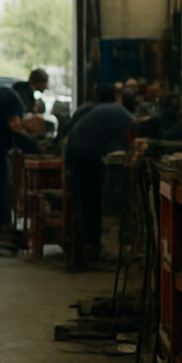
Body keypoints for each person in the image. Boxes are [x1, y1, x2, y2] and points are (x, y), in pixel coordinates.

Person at [64, 91, 138, 261]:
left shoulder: (107, 110)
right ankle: (90, 244)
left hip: (74, 151)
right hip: (87, 154)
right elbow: (126, 148)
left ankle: (86, 244)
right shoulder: (127, 119)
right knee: (92, 198)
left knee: (84, 198)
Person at [0, 80, 48, 247]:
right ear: (33, 122)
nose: (31, 133)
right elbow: (17, 130)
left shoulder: (10, 99)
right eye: (34, 131)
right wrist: (35, 148)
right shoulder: (16, 106)